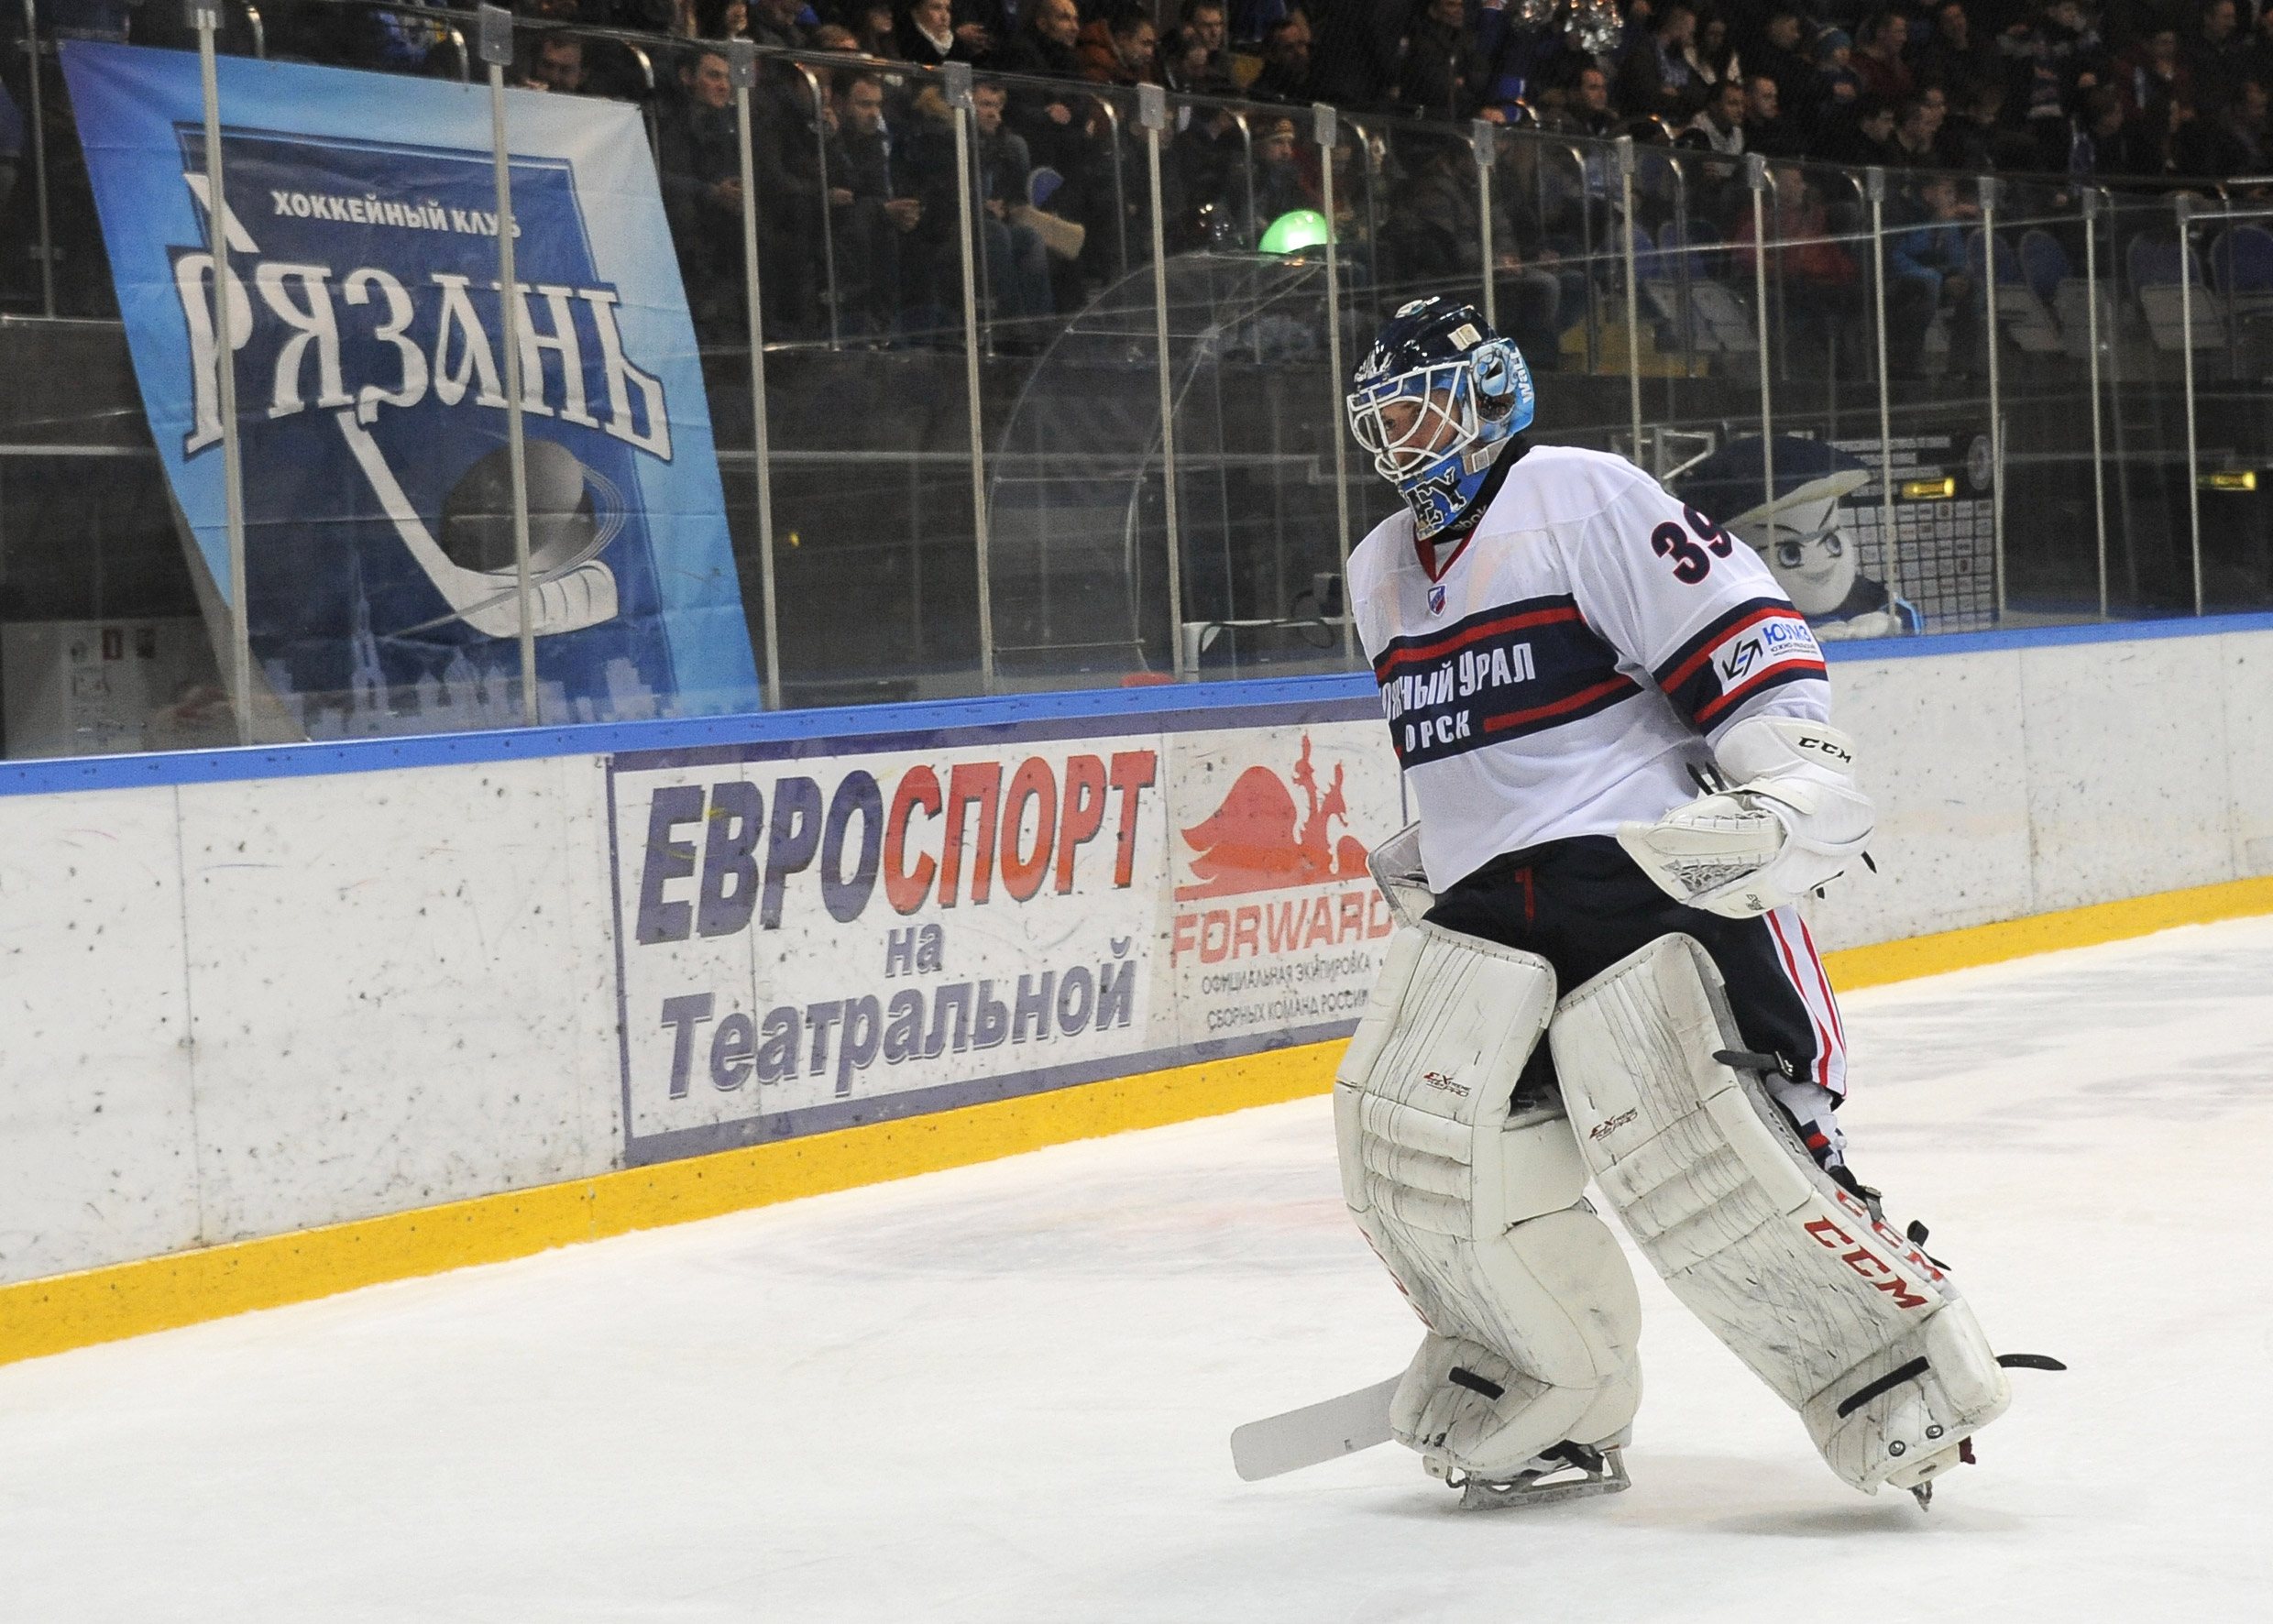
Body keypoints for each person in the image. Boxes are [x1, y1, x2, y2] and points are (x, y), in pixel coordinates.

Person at [1333, 295, 2016, 1509]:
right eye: (1383, 412)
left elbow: (1736, 631)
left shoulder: (1583, 494)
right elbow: (1455, 739)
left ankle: (1894, 1365)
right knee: (1425, 1152)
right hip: (1489, 911)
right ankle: (1549, 1385)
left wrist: (1793, 767)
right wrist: (1435, 838)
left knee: (1720, 1146)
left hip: (1635, 871)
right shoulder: (1379, 567)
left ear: (1495, 390)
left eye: (1421, 401)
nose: (1401, 433)